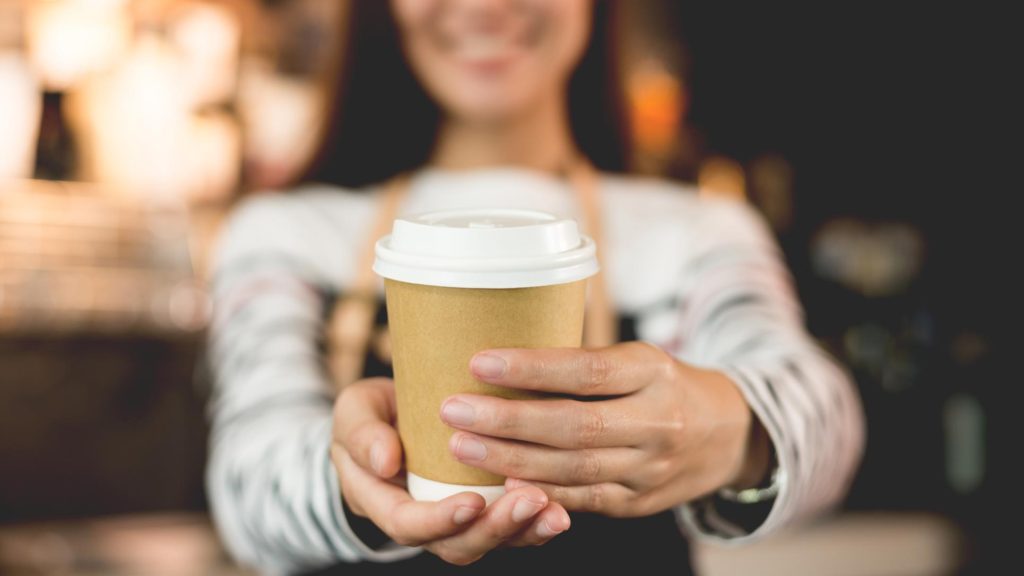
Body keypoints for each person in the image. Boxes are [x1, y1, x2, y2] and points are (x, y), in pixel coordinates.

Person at [205, 1, 865, 574]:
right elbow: (244, 488)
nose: (486, 4)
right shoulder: (284, 234)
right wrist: (354, 474)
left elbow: (829, 423)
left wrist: (734, 430)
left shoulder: (694, 232)